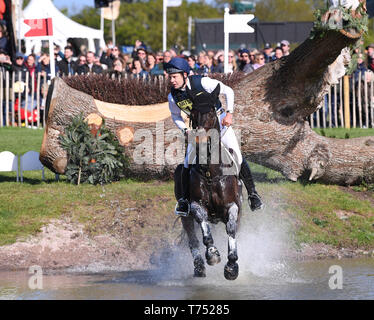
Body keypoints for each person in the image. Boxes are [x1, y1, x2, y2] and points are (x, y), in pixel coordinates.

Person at [165, 57, 264, 215]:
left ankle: (253, 194)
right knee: (186, 163)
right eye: (170, 76)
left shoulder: (202, 82)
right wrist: (185, 130)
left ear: (184, 75)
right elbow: (175, 116)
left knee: (237, 157)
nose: (172, 80)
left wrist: (229, 113)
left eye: (174, 76)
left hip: (220, 126)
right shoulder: (173, 96)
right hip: (199, 131)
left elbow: (228, 91)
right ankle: (183, 200)